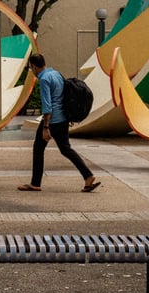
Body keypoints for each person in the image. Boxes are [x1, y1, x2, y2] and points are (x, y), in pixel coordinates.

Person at [18, 53, 99, 193]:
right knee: (66, 149)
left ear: (34, 66)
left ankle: (35, 183)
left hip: (53, 120)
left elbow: (47, 105)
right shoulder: (56, 74)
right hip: (63, 118)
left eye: (31, 68)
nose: (32, 71)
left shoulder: (43, 79)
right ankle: (88, 176)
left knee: (38, 149)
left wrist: (45, 127)